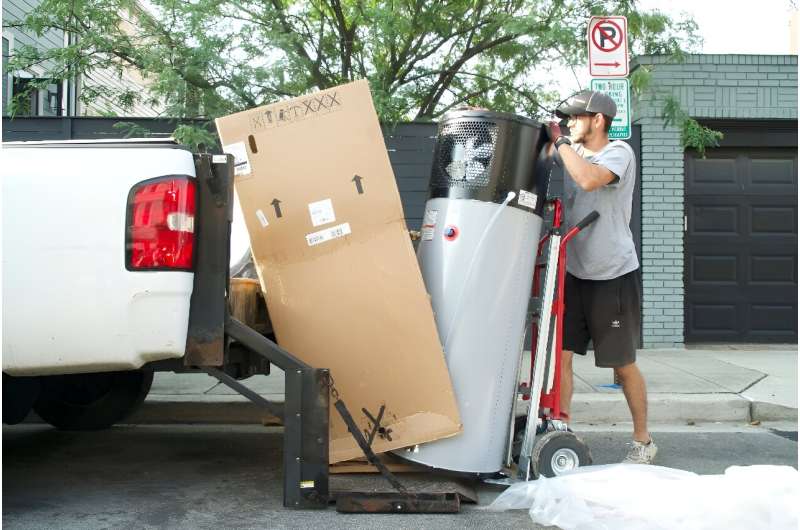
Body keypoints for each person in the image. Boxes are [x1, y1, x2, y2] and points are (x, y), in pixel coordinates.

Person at [545, 90, 657, 465]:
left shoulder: (619, 152)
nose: (571, 123)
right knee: (562, 356)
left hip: (613, 273)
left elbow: (591, 180)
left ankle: (643, 441)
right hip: (575, 269)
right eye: (568, 120)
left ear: (598, 120)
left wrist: (561, 142)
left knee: (620, 363)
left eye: (577, 117)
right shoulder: (570, 152)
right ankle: (561, 431)